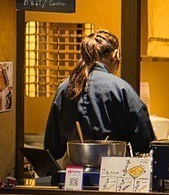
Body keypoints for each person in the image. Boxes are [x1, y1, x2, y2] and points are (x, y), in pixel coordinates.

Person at [44, 29, 154, 162]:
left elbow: (52, 147)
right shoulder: (121, 88)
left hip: (74, 169)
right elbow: (144, 143)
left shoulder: (65, 88)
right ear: (115, 54)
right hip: (114, 168)